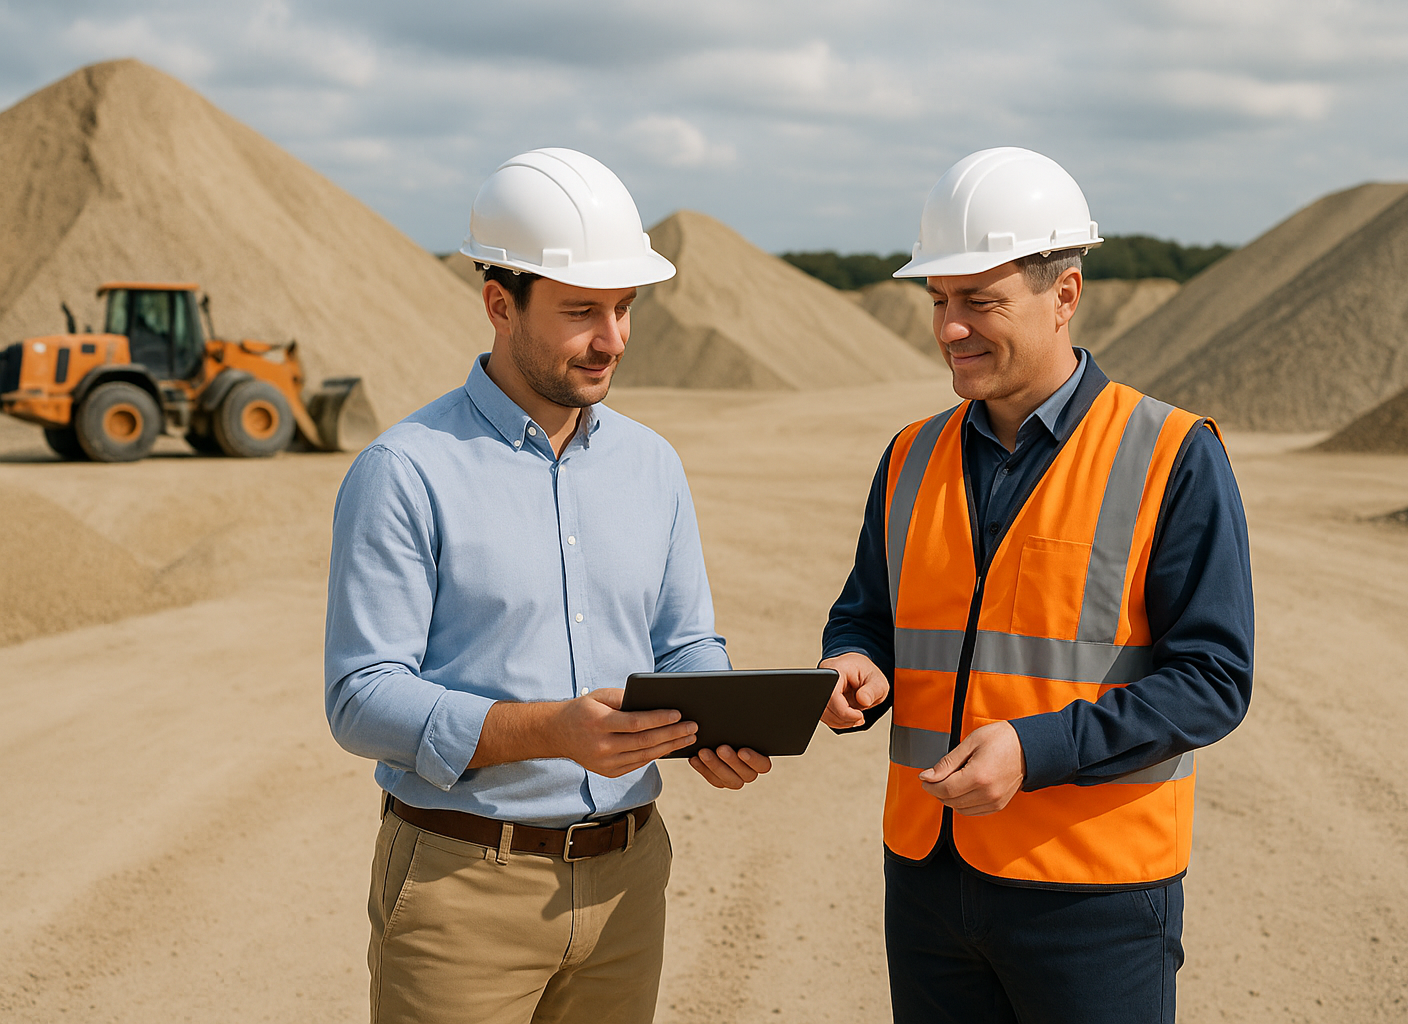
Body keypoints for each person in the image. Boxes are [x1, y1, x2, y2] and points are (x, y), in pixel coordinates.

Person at [325, 148, 770, 1024]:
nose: (613, 340)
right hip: (462, 889)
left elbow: (685, 641)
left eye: (624, 308)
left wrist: (714, 719)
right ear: (500, 303)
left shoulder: (653, 464)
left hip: (630, 881)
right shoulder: (405, 471)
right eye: (580, 312)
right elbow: (360, 696)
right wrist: (551, 732)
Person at [819, 147, 1255, 1023]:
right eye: (939, 300)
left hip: (1090, 892)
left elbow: (1213, 681)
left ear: (1065, 295)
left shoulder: (1170, 455)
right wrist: (854, 665)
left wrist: (1036, 751)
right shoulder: (909, 455)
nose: (949, 327)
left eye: (980, 301)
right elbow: (868, 612)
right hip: (929, 883)